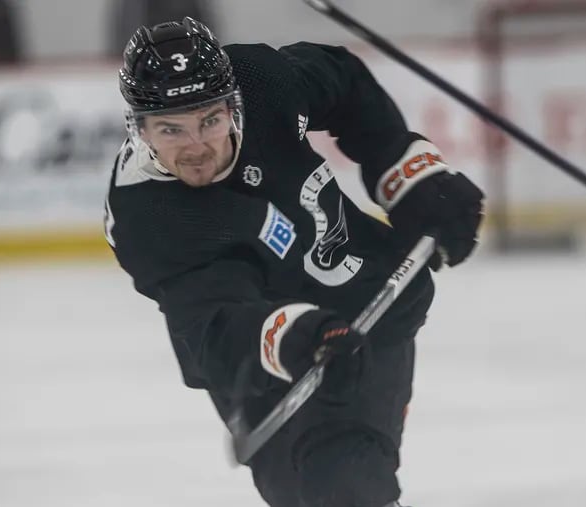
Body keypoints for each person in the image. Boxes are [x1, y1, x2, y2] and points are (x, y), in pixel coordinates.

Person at [104, 17, 484, 507]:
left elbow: (345, 83)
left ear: (234, 105)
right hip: (265, 371)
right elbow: (216, 319)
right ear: (138, 128)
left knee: (347, 484)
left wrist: (407, 176)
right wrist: (301, 336)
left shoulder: (262, 81)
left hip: (372, 305)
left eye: (210, 121)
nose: (196, 147)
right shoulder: (147, 215)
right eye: (170, 129)